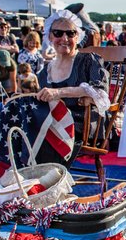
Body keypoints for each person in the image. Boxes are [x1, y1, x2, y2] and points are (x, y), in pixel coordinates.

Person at [35, 9, 109, 163]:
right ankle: (25, 175)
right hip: (51, 122)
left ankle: (48, 176)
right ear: (49, 36)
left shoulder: (88, 60)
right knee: (24, 123)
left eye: (70, 33)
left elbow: (100, 92)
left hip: (82, 123)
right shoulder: (44, 73)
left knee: (41, 130)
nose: (64, 38)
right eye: (58, 33)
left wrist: (59, 92)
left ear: (78, 36)